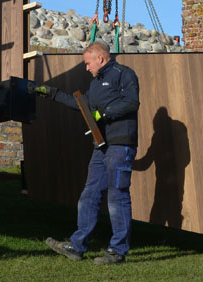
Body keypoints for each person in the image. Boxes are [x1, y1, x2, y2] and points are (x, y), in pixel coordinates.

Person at [36, 40, 140, 265]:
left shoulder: (124, 74)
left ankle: (117, 251)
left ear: (100, 59)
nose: (86, 67)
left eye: (87, 63)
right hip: (101, 146)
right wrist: (52, 93)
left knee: (117, 195)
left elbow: (132, 102)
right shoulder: (95, 84)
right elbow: (84, 108)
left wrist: (104, 114)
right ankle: (77, 246)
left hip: (121, 144)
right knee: (90, 194)